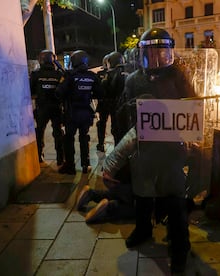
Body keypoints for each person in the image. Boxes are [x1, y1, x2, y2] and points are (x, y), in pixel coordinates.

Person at [113, 28, 196, 274]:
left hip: (172, 149)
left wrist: (190, 140)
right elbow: (122, 118)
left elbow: (193, 107)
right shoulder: (132, 80)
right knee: (142, 194)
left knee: (175, 200)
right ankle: (143, 230)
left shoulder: (178, 76)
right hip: (144, 148)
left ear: (169, 51)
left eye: (162, 51)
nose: (157, 57)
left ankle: (180, 248)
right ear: (142, 53)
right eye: (151, 52)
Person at [56, 50, 102, 174]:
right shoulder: (92, 76)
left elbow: (59, 92)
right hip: (86, 112)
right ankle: (85, 164)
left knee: (69, 139)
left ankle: (70, 166)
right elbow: (99, 93)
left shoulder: (69, 75)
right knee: (84, 138)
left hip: (72, 113)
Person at [30, 49, 64, 165]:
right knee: (58, 133)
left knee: (39, 132)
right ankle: (60, 158)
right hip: (56, 108)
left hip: (42, 107)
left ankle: (39, 155)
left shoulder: (36, 75)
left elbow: (30, 90)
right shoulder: (58, 74)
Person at [96, 51, 128, 151]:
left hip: (108, 103)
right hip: (118, 104)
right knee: (115, 126)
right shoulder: (127, 72)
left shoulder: (109, 74)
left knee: (111, 126)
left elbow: (102, 89)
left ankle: (106, 145)